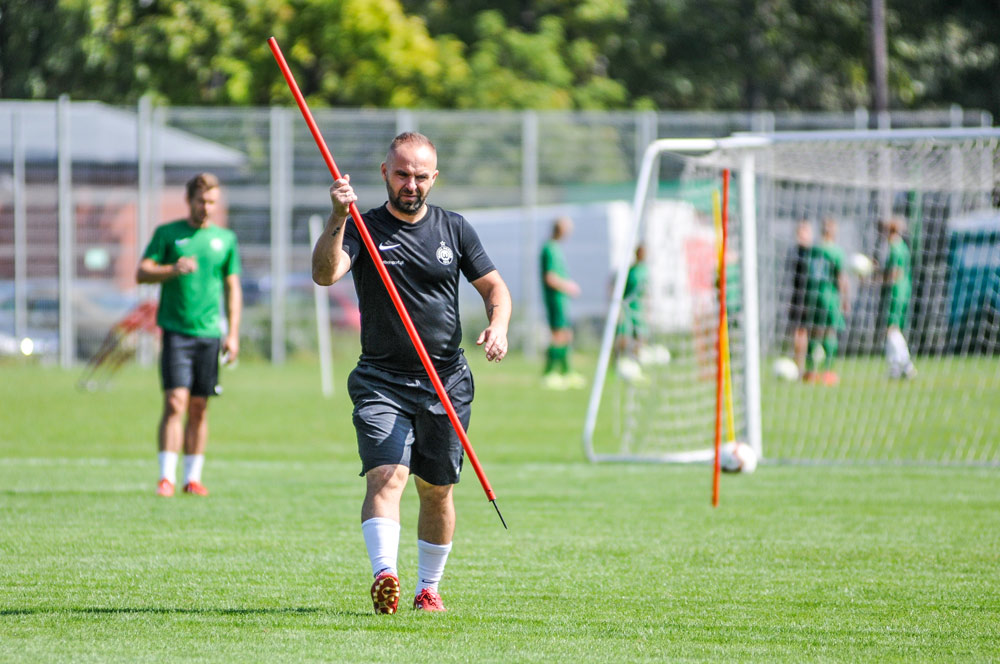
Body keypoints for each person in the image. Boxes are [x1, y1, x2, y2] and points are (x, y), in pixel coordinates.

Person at [311, 132, 512, 614]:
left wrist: (499, 326)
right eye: (402, 174)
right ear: (385, 172)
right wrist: (338, 216)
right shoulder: (362, 226)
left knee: (436, 490)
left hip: (445, 381)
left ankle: (428, 588)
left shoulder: (454, 228)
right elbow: (324, 274)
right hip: (381, 380)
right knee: (387, 475)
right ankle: (386, 576)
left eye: (421, 176)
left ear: (434, 178)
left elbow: (494, 288)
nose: (411, 184)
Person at [137, 173, 242, 498]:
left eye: (212, 202)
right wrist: (172, 269)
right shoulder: (168, 234)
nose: (206, 207)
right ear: (189, 201)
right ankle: (165, 478)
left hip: (209, 334)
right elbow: (142, 272)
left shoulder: (225, 239)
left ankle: (192, 478)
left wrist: (233, 333)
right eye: (201, 201)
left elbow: (232, 287)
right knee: (175, 402)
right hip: (176, 332)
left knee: (199, 406)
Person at [540, 216, 584, 389]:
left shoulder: (556, 248)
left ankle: (566, 372)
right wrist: (568, 286)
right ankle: (549, 373)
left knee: (566, 335)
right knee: (558, 336)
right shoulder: (549, 249)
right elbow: (550, 278)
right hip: (555, 299)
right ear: (561, 230)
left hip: (562, 300)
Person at [804, 217, 847, 385]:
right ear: (833, 231)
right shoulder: (835, 251)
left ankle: (811, 371)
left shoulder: (813, 249)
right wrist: (844, 299)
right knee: (830, 332)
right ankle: (828, 371)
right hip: (829, 296)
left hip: (813, 295)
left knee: (814, 333)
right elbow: (840, 277)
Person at [881, 217, 916, 378]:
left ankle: (906, 365)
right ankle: (896, 367)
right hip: (904, 290)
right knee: (894, 330)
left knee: (891, 329)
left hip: (896, 292)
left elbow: (895, 274)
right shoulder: (903, 247)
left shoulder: (895, 249)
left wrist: (874, 279)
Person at [614, 245, 649, 380]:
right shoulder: (630, 271)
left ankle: (636, 363)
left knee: (640, 337)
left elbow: (646, 291)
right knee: (623, 336)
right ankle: (617, 361)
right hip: (627, 307)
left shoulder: (645, 270)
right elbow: (616, 287)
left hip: (639, 308)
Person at [788, 219, 813, 378]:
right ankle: (799, 365)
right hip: (800, 298)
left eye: (807, 231)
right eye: (802, 232)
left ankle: (813, 367)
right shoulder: (796, 253)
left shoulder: (814, 253)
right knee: (800, 332)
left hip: (814, 297)